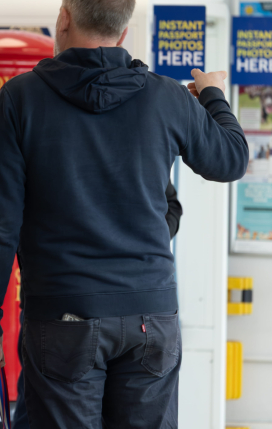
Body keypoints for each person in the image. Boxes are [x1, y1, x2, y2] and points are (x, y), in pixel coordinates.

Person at [0, 0, 248, 428]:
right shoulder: (167, 98)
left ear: (63, 18)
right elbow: (231, 160)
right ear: (123, 32)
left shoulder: (21, 99)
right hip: (150, 316)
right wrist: (214, 96)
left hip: (61, 315)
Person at [12, 180, 183, 428]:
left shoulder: (39, 142)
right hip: (122, 307)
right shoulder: (142, 142)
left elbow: (1, 216)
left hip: (66, 306)